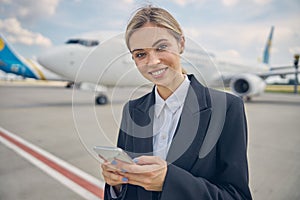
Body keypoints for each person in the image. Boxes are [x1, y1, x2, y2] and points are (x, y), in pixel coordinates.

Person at [101, 5, 252, 200]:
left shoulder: (227, 108)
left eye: (161, 47)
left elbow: (236, 196)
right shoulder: (131, 110)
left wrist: (169, 181)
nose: (152, 61)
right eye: (140, 54)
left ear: (181, 44)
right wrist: (116, 186)